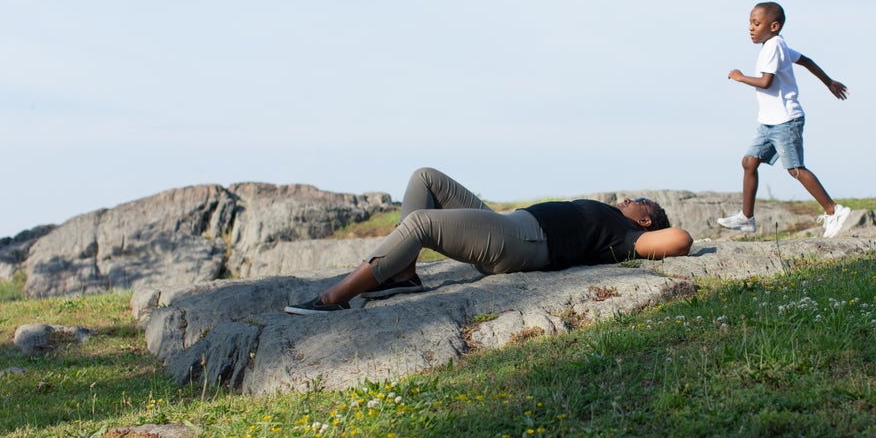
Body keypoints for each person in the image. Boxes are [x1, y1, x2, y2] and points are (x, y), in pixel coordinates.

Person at [285, 167, 694, 314]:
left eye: (636, 202)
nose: (625, 199)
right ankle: (403, 274)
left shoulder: (624, 238)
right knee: (425, 177)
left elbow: (681, 240)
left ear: (645, 221)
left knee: (422, 224)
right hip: (510, 224)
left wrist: (649, 234)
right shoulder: (617, 219)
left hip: (525, 242)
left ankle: (333, 299)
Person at [716, 1, 852, 238]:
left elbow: (766, 82)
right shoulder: (775, 45)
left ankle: (834, 211)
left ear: (774, 25)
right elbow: (806, 60)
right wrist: (828, 81)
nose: (751, 28)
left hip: (786, 121)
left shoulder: (773, 46)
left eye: (756, 23)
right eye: (750, 23)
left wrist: (740, 77)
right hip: (768, 121)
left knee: (795, 169)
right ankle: (746, 218)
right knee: (749, 162)